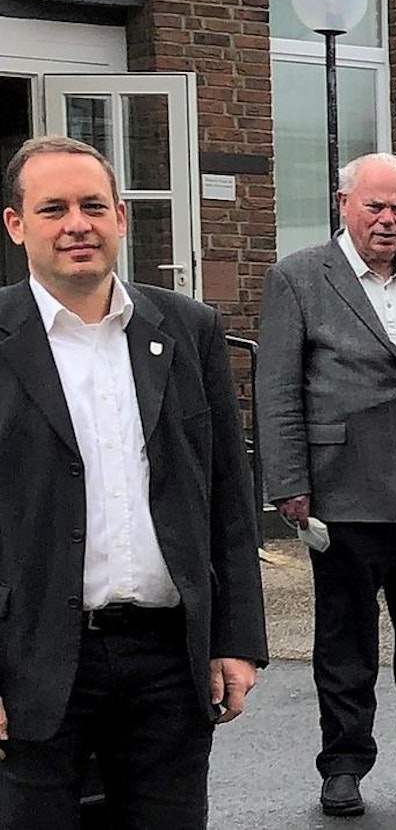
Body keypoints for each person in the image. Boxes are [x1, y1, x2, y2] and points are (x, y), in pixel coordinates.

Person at [0, 135, 267, 829]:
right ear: (17, 225)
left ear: (120, 216)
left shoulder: (188, 329)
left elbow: (228, 497)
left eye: (93, 206)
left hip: (168, 662)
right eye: (53, 209)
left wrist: (237, 639)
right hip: (31, 658)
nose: (77, 224)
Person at [256, 152, 396, 817]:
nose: (388, 220)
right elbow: (276, 389)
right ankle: (343, 764)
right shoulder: (298, 278)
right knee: (346, 641)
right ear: (344, 204)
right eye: (375, 206)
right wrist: (289, 482)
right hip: (345, 489)